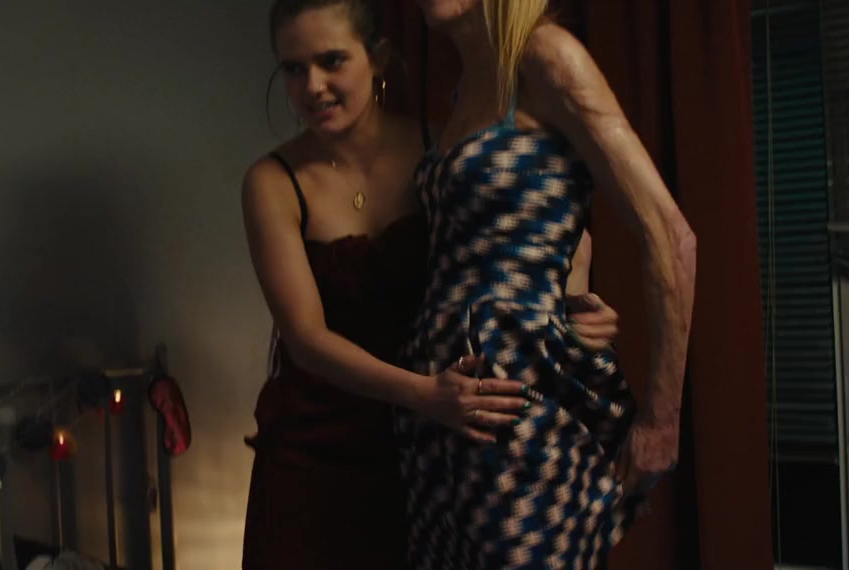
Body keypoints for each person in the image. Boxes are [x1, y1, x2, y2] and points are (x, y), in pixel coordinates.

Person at [239, 1, 622, 568]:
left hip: (424, 452)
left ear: (377, 59)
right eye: (294, 69)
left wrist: (569, 306)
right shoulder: (271, 181)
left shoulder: (438, 146)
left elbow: (552, 235)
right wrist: (425, 394)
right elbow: (306, 339)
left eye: (331, 60)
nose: (312, 85)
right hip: (316, 449)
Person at [396, 1, 698, 568]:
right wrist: (571, 291)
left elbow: (671, 236)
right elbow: (539, 221)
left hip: (521, 412)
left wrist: (661, 424)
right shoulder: (466, 86)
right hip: (440, 426)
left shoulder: (546, 56)